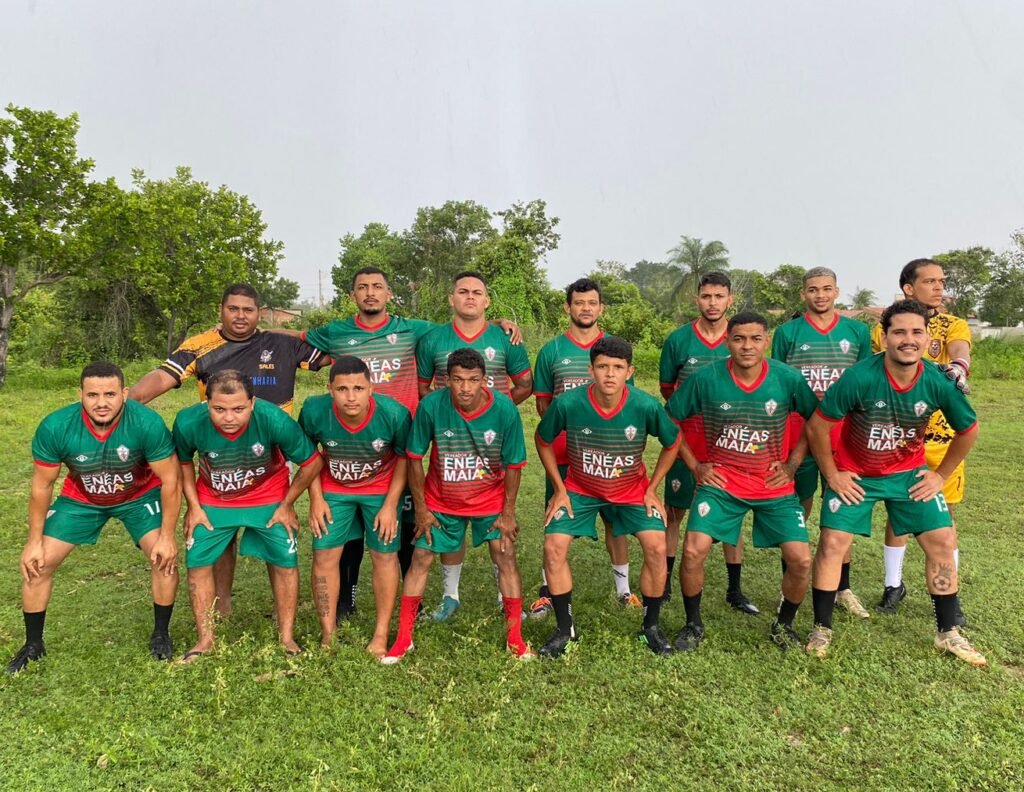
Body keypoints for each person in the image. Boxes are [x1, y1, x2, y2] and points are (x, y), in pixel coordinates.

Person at [294, 267, 522, 622]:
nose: (370, 292)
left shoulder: (414, 329)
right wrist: (251, 335)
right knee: (348, 527)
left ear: (389, 294)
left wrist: (497, 323)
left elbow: (462, 323)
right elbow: (292, 338)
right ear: (353, 295)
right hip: (352, 439)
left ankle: (409, 601)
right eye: (362, 287)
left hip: (400, 438)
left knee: (403, 521)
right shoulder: (337, 331)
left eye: (377, 287)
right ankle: (346, 599)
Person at [129, 283, 328, 620]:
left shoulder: (281, 344)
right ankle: (222, 605)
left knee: (276, 531)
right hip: (218, 455)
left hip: (273, 455)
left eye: (248, 310)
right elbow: (163, 377)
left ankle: (281, 608)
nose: (240, 316)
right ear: (220, 309)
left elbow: (336, 353)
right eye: (233, 308)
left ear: (259, 313)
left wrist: (293, 332)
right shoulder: (199, 345)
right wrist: (127, 401)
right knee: (221, 533)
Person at [805, 300, 985, 666]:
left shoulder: (938, 381)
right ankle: (821, 628)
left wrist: (939, 475)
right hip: (857, 474)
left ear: (926, 338)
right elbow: (817, 427)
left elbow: (968, 430)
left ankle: (948, 633)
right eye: (899, 332)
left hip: (908, 474)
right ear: (885, 337)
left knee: (942, 541)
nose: (908, 339)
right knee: (833, 543)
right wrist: (833, 474)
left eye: (917, 332)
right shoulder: (859, 377)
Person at [8, 362, 181, 674]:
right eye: (93, 395)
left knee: (163, 559)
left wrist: (168, 537)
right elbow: (41, 486)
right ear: (81, 395)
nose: (101, 402)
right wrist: (33, 541)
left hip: (138, 496)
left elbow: (170, 480)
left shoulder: (147, 423)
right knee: (38, 564)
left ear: (124, 394)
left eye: (110, 394)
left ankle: (161, 634)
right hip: (82, 498)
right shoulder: (56, 426)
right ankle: (33, 644)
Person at [667, 313, 819, 652]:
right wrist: (695, 466)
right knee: (693, 551)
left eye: (754, 339)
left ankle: (784, 625)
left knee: (801, 559)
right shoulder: (705, 378)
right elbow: (669, 419)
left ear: (767, 341)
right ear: (727, 341)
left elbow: (816, 420)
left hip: (772, 482)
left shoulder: (788, 378)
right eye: (738, 339)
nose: (747, 346)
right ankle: (693, 624)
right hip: (721, 482)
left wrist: (793, 464)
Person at [382, 348, 532, 663]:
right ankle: (404, 639)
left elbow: (515, 464)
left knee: (506, 555)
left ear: (485, 380)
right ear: (446, 380)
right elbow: (414, 457)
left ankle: (515, 638)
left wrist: (508, 513)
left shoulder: (504, 409)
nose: (465, 388)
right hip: (441, 499)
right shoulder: (431, 406)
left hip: (489, 499)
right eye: (458, 379)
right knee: (421, 557)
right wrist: (421, 509)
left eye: (473, 380)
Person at [536, 336, 680, 657]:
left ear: (630, 371)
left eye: (617, 367)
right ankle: (565, 630)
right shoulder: (568, 403)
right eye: (602, 367)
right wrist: (559, 488)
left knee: (657, 546)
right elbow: (543, 439)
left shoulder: (645, 405)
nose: (610, 374)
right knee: (553, 546)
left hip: (631, 490)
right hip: (580, 489)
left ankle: (650, 628)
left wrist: (653, 488)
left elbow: (673, 442)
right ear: (591, 370)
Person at [172, 370, 322, 661]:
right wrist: (194, 506)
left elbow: (311, 462)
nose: (229, 417)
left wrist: (287, 504)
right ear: (206, 403)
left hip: (268, 494)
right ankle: (205, 639)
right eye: (219, 409)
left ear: (252, 403)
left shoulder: (273, 418)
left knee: (285, 560)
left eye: (239, 409)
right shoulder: (188, 421)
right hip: (213, 498)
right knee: (197, 561)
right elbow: (183, 461)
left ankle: (287, 637)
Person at [415, 271, 534, 621]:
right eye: (463, 291)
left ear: (486, 301)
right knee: (451, 516)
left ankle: (503, 597)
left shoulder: (506, 337)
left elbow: (525, 384)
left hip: (490, 442)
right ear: (451, 298)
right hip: (450, 441)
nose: (469, 297)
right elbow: (423, 387)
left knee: (496, 520)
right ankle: (450, 596)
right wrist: (449, 413)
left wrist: (492, 412)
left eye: (477, 292)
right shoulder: (432, 339)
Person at [528, 278, 638, 619]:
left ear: (600, 307)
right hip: (565, 456)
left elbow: (628, 401)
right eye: (579, 302)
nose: (585, 308)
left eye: (592, 303)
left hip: (608, 456)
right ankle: (547, 591)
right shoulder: (552, 351)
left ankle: (624, 590)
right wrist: (570, 432)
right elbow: (544, 405)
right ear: (568, 307)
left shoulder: (615, 348)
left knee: (615, 522)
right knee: (556, 519)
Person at [869, 259, 972, 615]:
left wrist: (959, 367)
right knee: (898, 515)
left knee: (943, 519)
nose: (939, 287)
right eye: (930, 281)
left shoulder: (952, 324)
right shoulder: (887, 327)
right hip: (899, 437)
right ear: (909, 288)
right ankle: (893, 584)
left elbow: (960, 349)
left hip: (942, 440)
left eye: (942, 281)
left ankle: (948, 595)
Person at [770, 266, 873, 618]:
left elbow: (865, 384)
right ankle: (789, 586)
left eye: (827, 288)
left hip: (842, 435)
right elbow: (778, 382)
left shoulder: (857, 332)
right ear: (804, 294)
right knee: (796, 508)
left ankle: (843, 588)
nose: (820, 295)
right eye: (813, 289)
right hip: (797, 432)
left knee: (842, 506)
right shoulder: (788, 333)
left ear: (837, 291)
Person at [659, 272, 758, 615]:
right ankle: (666, 583)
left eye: (719, 296)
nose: (712, 303)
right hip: (688, 440)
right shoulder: (679, 340)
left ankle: (735, 589)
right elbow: (668, 389)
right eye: (706, 296)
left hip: (732, 442)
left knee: (731, 513)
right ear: (696, 299)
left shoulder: (741, 338)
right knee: (675, 512)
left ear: (731, 299)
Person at [298, 356, 411, 657]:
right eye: (342, 389)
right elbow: (308, 455)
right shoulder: (314, 410)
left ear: (371, 388)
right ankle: (328, 634)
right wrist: (316, 498)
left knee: (384, 555)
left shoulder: (394, 414)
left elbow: (404, 458)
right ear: (329, 389)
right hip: (333, 488)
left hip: (381, 488)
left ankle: (381, 634)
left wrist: (390, 505)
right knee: (324, 555)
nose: (351, 397)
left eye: (358, 388)